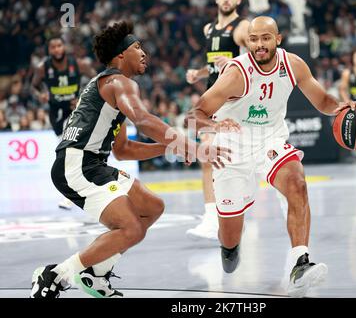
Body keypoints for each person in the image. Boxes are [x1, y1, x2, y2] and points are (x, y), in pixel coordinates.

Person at [30, 21, 230, 298]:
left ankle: (96, 273)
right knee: (131, 227)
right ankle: (54, 275)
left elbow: (123, 149)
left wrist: (170, 148)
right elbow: (144, 119)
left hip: (93, 163)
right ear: (121, 55)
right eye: (138, 48)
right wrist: (191, 146)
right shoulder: (118, 83)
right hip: (76, 165)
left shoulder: (110, 86)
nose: (144, 53)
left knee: (152, 207)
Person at [186, 16, 356, 297]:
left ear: (278, 39)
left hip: (270, 140)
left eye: (265, 38)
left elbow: (322, 101)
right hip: (232, 147)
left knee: (298, 182)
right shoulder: (236, 73)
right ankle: (229, 246)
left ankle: (300, 263)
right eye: (254, 39)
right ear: (247, 42)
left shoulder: (293, 65)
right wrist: (215, 125)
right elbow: (195, 115)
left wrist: (343, 107)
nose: (259, 45)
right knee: (230, 238)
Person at [185, 0, 249, 241]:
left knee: (235, 162)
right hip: (211, 99)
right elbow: (213, 64)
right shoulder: (208, 29)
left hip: (233, 102)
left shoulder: (243, 27)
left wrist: (234, 62)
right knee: (207, 155)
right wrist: (198, 73)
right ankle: (212, 218)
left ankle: (231, 216)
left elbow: (258, 57)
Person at [31, 35, 96, 209]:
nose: (57, 49)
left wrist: (83, 97)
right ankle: (80, 188)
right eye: (53, 47)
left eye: (59, 46)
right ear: (49, 50)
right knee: (66, 152)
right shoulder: (42, 68)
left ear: (64, 47)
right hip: (55, 113)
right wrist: (41, 95)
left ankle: (72, 194)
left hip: (74, 110)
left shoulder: (79, 64)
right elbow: (34, 85)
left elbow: (97, 80)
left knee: (69, 151)